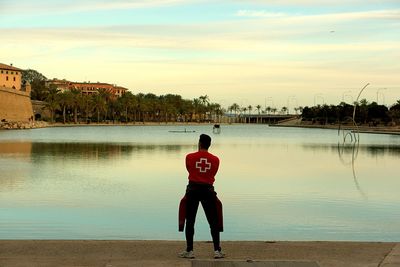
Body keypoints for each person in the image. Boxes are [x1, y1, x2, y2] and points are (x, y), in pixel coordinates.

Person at [179, 134, 225, 259]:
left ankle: (190, 251)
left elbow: (190, 170)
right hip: (208, 191)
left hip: (193, 190)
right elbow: (213, 173)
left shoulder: (189, 157)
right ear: (209, 145)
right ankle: (217, 250)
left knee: (190, 221)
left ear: (199, 143)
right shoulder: (216, 160)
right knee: (213, 222)